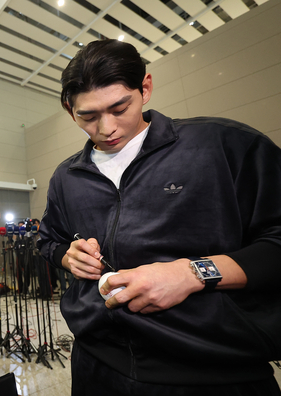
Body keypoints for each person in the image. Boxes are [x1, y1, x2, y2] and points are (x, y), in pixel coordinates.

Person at [38, 39, 281, 396]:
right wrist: (66, 255)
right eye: (88, 116)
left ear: (145, 88)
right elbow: (49, 240)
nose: (106, 129)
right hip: (97, 364)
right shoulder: (67, 176)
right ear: (68, 109)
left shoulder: (223, 145)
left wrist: (192, 273)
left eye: (120, 107)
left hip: (214, 370)